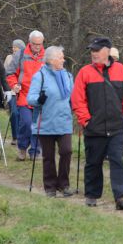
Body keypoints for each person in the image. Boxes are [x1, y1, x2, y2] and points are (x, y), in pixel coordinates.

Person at [71, 37, 123, 210]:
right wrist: (86, 121)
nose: (93, 53)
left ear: (107, 51)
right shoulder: (85, 72)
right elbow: (78, 99)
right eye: (92, 50)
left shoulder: (121, 70)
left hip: (117, 126)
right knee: (93, 162)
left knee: (117, 159)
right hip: (94, 127)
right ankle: (92, 195)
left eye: (97, 50)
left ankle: (122, 196)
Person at [27, 46, 74, 197]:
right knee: (48, 156)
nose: (63, 59)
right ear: (52, 60)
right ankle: (50, 187)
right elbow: (30, 98)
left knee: (66, 151)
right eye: (61, 57)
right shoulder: (39, 76)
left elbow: (72, 96)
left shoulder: (67, 76)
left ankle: (64, 184)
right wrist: (38, 99)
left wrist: (77, 106)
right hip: (45, 122)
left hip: (64, 121)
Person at [6, 30, 46, 160]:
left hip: (41, 97)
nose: (37, 47)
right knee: (27, 123)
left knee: (38, 125)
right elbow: (10, 73)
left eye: (40, 44)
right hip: (24, 95)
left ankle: (35, 151)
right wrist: (14, 85)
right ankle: (22, 148)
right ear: (30, 42)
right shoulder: (21, 54)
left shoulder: (47, 56)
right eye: (35, 44)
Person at [4, 39, 25, 146]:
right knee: (14, 113)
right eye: (13, 47)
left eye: (16, 47)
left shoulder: (25, 58)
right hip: (11, 91)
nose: (14, 49)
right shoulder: (9, 58)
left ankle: (23, 136)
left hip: (23, 92)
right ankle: (15, 136)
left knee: (23, 115)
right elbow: (5, 74)